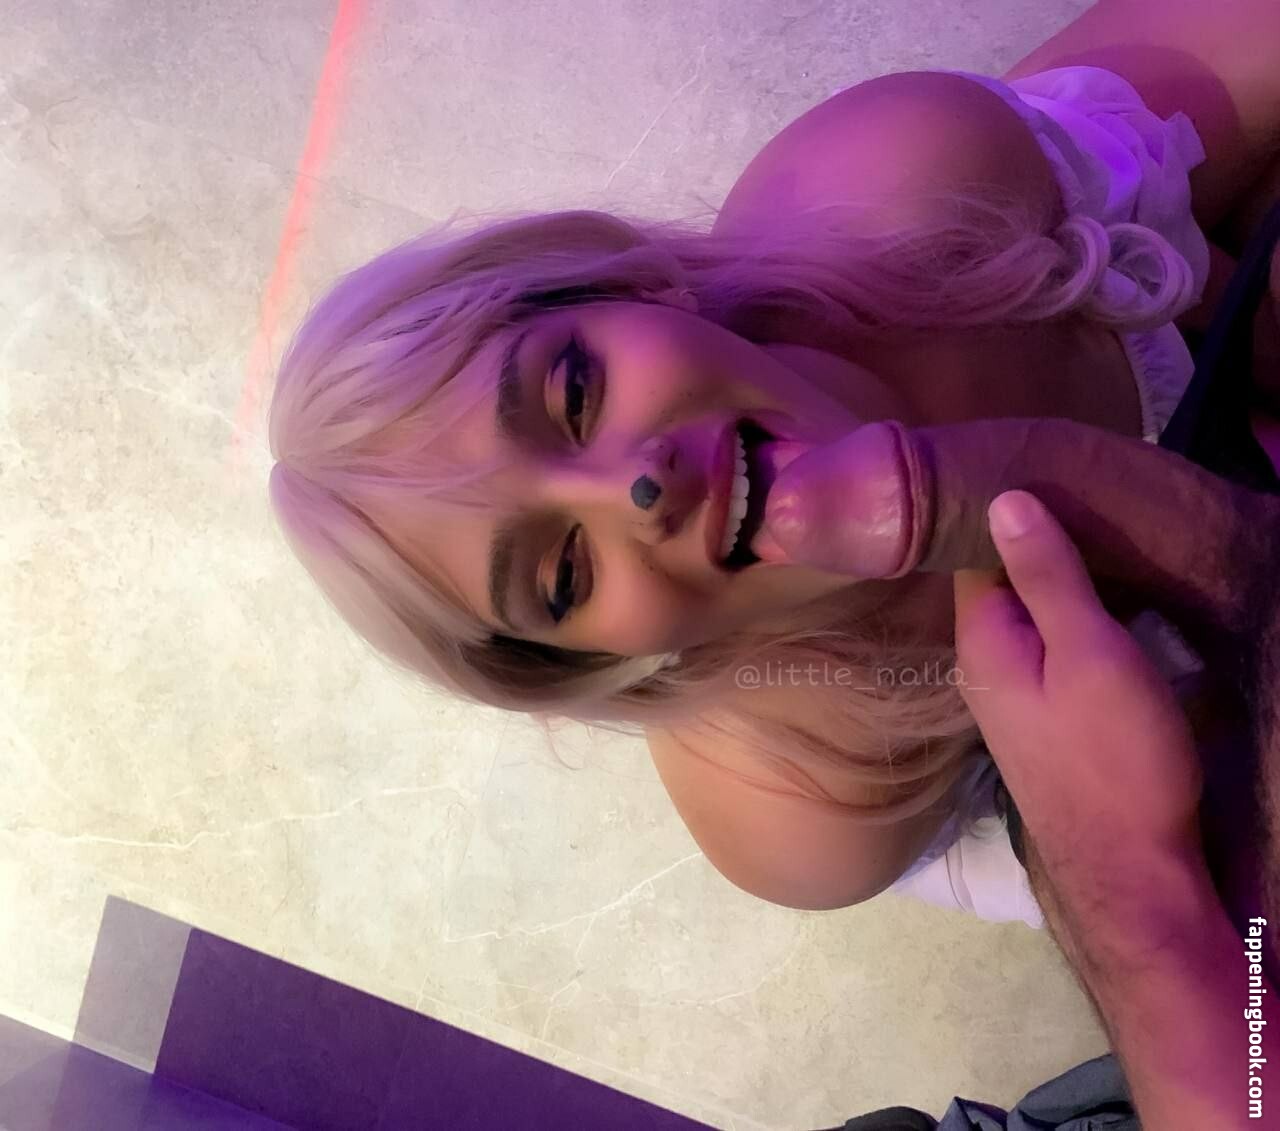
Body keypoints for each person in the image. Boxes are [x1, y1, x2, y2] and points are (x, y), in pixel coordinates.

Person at [266, 0, 1280, 925]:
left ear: (632, 286)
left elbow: (1212, 301)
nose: (638, 488)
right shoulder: (807, 804)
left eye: (574, 392)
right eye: (564, 573)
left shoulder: (905, 182)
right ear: (592, 663)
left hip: (1084, 244)